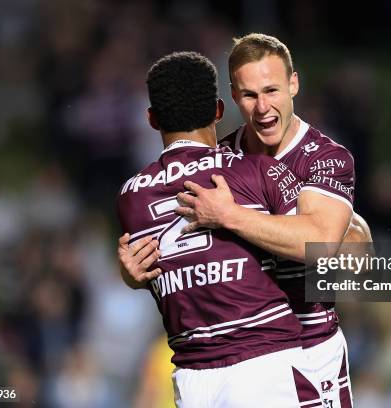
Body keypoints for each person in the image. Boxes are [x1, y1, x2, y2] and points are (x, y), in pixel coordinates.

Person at [119, 35, 371, 407]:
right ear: (232, 101)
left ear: (293, 85)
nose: (263, 107)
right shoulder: (224, 160)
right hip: (239, 356)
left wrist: (232, 216)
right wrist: (133, 273)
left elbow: (343, 252)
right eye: (250, 95)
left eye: (271, 91)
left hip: (313, 349)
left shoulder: (325, 158)